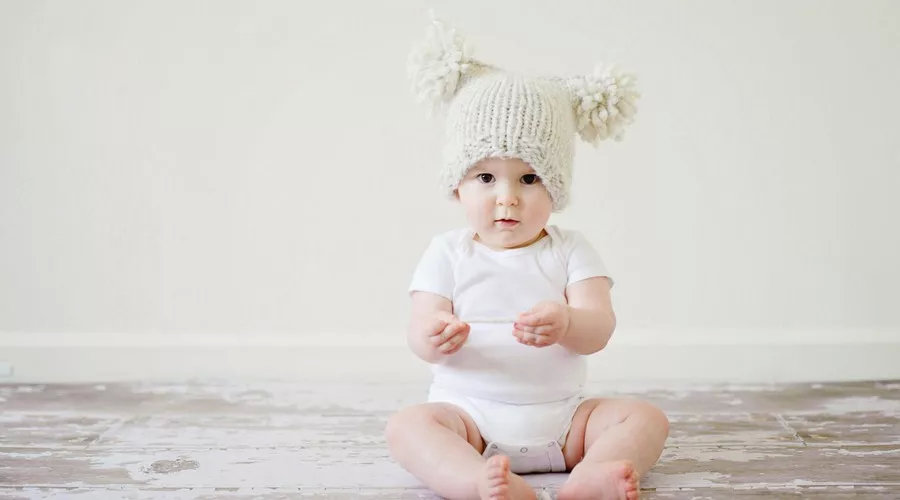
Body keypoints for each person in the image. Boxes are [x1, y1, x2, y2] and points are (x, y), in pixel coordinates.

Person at [385, 16, 669, 500]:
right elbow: (419, 331)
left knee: (645, 418)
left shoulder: (570, 249)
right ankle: (477, 481)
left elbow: (599, 328)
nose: (507, 197)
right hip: (469, 420)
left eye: (529, 178)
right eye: (486, 178)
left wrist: (568, 322)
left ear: (555, 187)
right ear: (457, 186)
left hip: (566, 424)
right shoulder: (447, 252)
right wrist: (433, 335)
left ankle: (592, 476)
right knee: (407, 427)